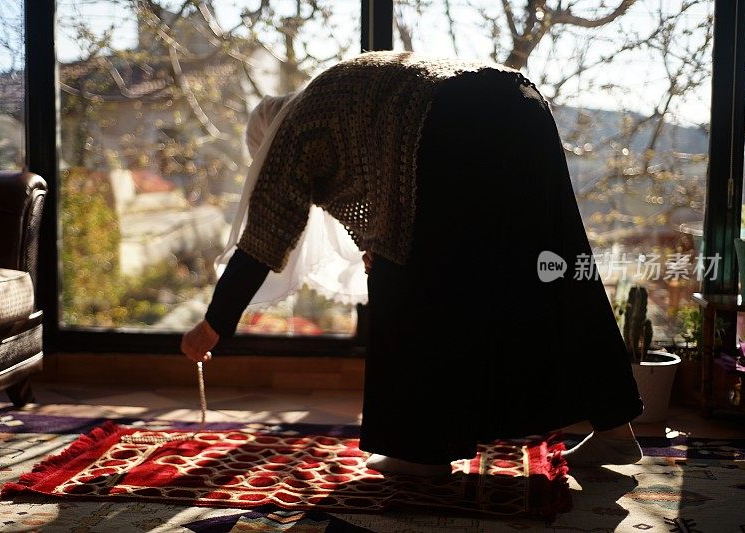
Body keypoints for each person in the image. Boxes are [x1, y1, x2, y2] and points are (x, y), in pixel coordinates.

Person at [181, 50, 644, 475]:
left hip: (447, 122)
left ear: (265, 145)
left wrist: (213, 324)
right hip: (518, 101)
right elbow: (376, 178)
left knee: (409, 286)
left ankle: (418, 449)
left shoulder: (293, 130)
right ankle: (614, 429)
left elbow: (265, 237)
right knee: (553, 264)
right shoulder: (332, 90)